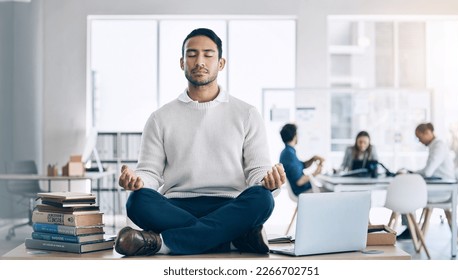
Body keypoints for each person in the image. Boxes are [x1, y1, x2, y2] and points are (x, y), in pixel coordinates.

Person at [114, 28, 286, 256]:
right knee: (137, 201)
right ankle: (234, 239)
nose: (200, 61)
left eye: (208, 54)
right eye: (192, 54)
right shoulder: (160, 117)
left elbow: (257, 171)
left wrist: (268, 181)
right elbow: (150, 173)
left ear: (221, 63)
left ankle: (161, 243)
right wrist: (137, 181)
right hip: (176, 205)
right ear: (182, 62)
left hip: (230, 204)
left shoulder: (246, 113)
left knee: (262, 199)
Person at [397, 122, 456, 239]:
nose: (420, 141)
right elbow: (428, 171)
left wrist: (411, 173)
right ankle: (411, 228)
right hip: (439, 186)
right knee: (407, 191)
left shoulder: (438, 146)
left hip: (442, 190)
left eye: (420, 137)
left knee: (405, 193)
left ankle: (411, 229)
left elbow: (428, 172)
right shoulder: (435, 145)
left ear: (427, 133)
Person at [279, 123, 324, 196]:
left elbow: (302, 165)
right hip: (302, 191)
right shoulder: (288, 155)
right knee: (329, 192)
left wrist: (313, 159)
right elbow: (299, 181)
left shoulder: (288, 152)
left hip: (304, 189)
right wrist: (315, 172)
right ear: (294, 136)